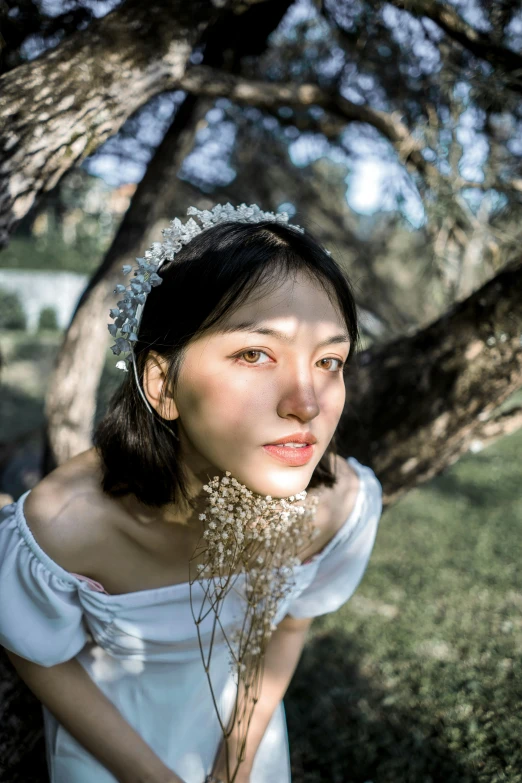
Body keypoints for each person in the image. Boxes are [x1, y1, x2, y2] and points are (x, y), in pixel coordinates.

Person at [0, 204, 383, 783]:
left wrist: (237, 761)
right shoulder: (66, 525)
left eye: (329, 360)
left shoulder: (337, 506)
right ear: (163, 383)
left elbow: (290, 626)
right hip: (111, 750)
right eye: (255, 354)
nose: (307, 402)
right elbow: (41, 657)